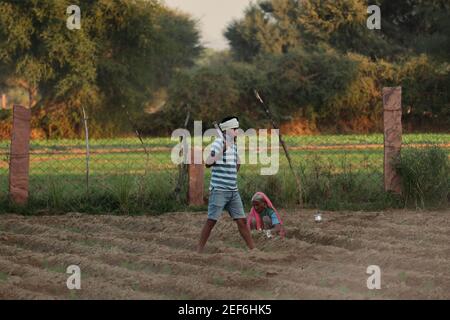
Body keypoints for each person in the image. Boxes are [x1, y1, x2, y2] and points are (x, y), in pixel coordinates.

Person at [197, 116, 255, 253]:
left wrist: (235, 167)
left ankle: (253, 249)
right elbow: (208, 162)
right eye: (234, 129)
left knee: (241, 221)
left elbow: (237, 163)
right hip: (219, 190)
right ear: (227, 130)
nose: (237, 132)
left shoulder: (233, 146)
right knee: (211, 221)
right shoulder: (218, 144)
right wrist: (223, 149)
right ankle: (199, 250)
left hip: (233, 191)